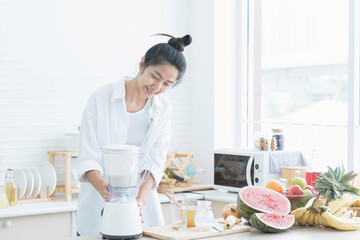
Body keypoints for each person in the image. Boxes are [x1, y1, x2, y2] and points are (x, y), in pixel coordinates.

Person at [75, 33, 192, 236]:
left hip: (142, 212)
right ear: (142, 64)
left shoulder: (163, 109)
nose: (156, 87)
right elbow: (88, 157)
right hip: (96, 209)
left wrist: (140, 200)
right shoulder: (100, 99)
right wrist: (106, 191)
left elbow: (155, 160)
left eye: (167, 84)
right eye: (155, 76)